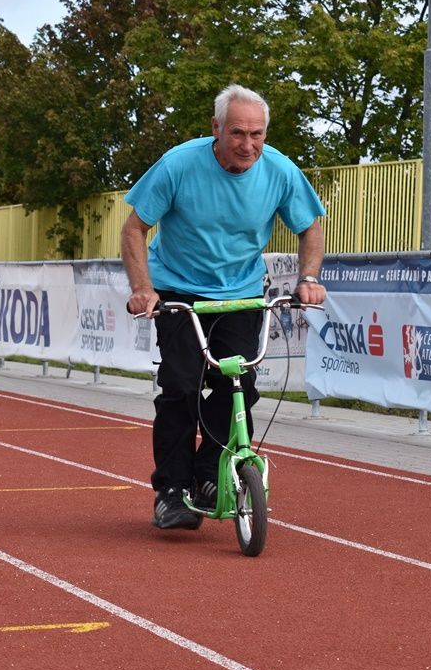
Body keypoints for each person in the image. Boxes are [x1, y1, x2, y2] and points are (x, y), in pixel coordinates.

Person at [122, 84, 327, 529]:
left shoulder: (280, 172)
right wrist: (143, 288)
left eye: (257, 134)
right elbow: (134, 228)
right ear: (215, 128)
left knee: (240, 384)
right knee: (181, 386)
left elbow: (310, 227)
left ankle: (208, 476)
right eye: (237, 133)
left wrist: (309, 278)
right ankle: (171, 491)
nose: (248, 144)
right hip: (178, 290)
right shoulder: (179, 165)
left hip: (240, 293)